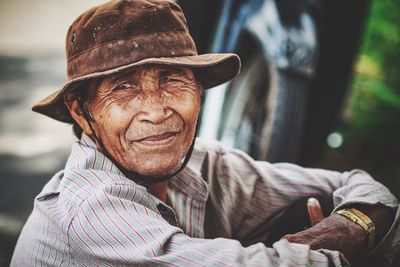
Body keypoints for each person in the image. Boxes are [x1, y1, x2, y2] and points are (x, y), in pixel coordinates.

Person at [11, 0, 399, 266]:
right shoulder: (90, 209)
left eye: (172, 79)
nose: (156, 109)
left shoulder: (209, 165)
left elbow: (363, 188)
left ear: (199, 91)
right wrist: (349, 241)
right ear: (82, 112)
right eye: (123, 88)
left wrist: (352, 225)